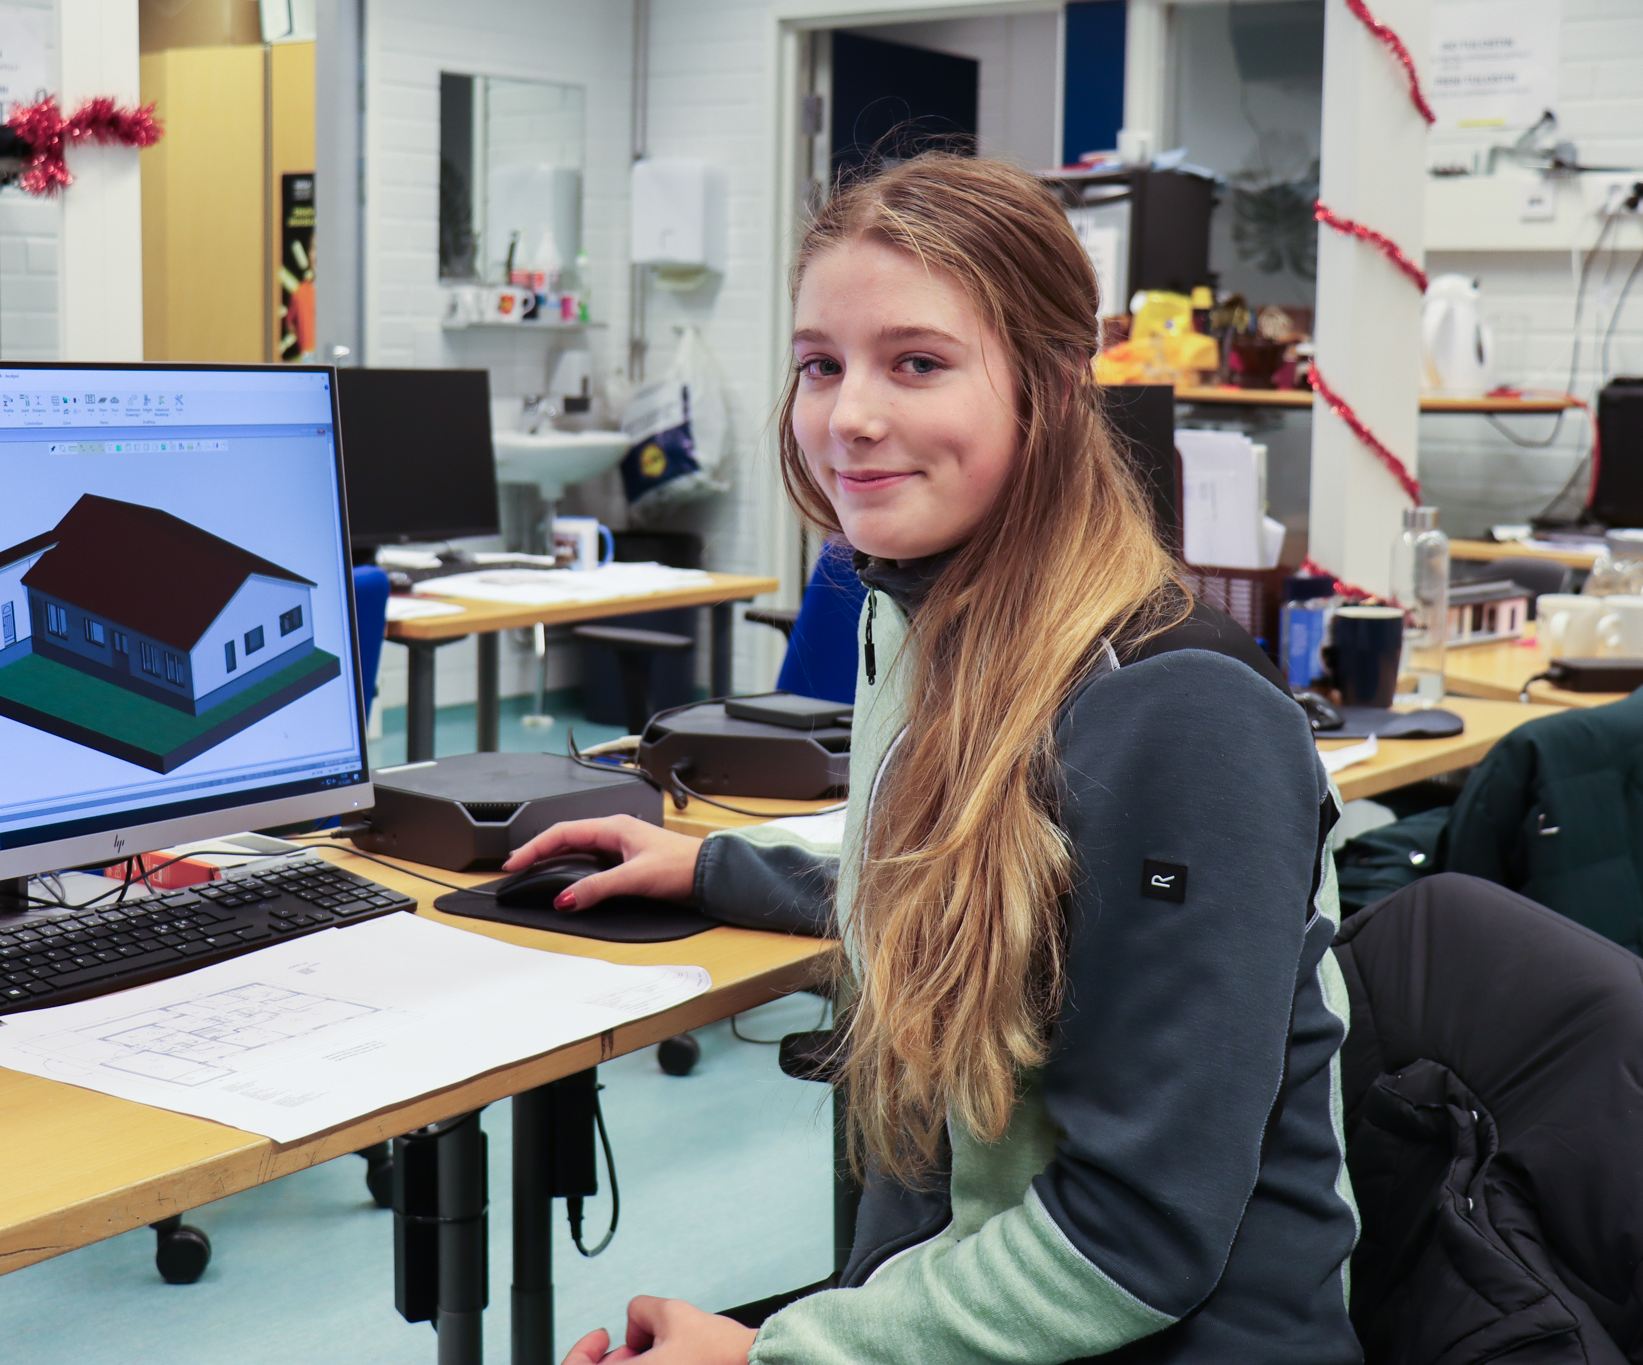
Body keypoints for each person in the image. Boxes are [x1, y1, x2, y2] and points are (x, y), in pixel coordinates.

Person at [510, 154, 1360, 1364]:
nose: (847, 415)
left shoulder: (1178, 710)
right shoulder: (915, 610)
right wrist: (712, 870)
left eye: (916, 363)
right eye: (820, 363)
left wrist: (768, 1358)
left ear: (1054, 387)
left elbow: (1139, 1243)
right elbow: (990, 904)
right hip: (967, 1290)